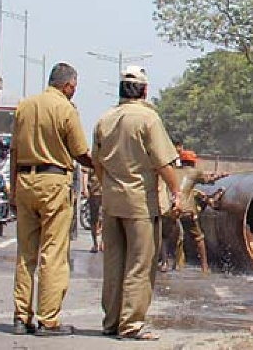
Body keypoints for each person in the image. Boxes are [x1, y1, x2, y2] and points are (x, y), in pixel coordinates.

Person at [93, 65, 181, 341]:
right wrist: (176, 191)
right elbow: (163, 162)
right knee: (139, 265)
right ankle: (131, 324)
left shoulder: (104, 120)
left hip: (111, 201)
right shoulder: (148, 119)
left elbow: (96, 162)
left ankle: (111, 321)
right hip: (140, 203)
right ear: (144, 90)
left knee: (114, 262)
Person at [9, 62, 95, 336]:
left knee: (25, 254)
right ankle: (49, 319)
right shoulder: (65, 109)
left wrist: (13, 189)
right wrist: (101, 165)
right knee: (53, 254)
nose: (74, 91)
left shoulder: (25, 105)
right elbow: (80, 152)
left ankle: (21, 317)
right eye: (74, 87)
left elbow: (13, 151)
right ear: (68, 85)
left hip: (24, 181)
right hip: (54, 183)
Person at [164, 141, 226, 274]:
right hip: (186, 211)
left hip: (170, 208)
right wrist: (221, 176)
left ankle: (164, 263)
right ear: (193, 162)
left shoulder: (173, 171)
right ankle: (204, 268)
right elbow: (209, 180)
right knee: (199, 238)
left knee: (164, 236)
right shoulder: (194, 172)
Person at [81, 164, 104, 253]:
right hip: (94, 192)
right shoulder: (91, 158)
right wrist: (85, 189)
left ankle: (102, 242)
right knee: (94, 219)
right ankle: (95, 243)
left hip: (107, 191)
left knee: (106, 219)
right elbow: (85, 174)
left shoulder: (108, 155)